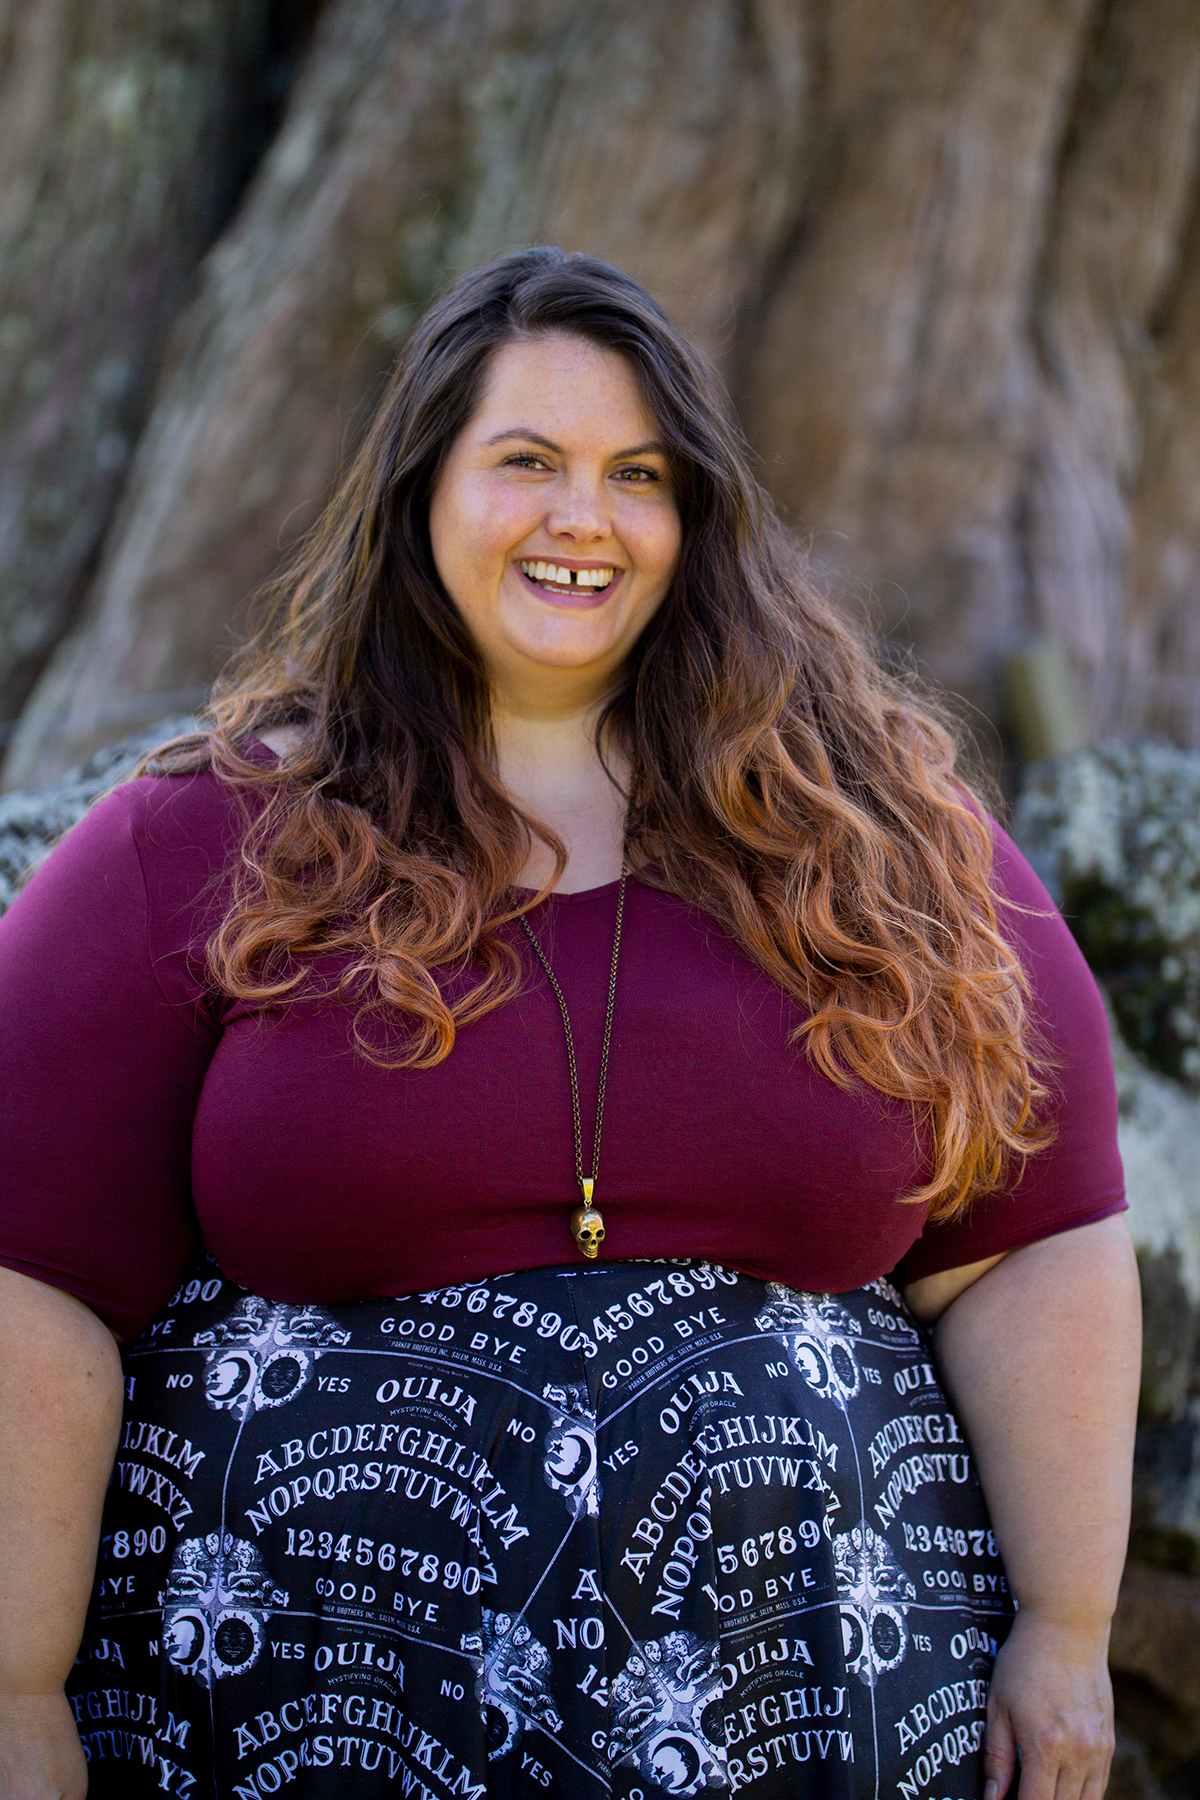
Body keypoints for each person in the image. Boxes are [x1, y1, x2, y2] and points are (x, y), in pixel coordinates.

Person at [0, 248, 1139, 1800]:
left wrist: (1067, 1629)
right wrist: (13, 1693)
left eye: (637, 474)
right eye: (524, 462)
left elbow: (1036, 1233)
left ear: (697, 518)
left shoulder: (887, 842)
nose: (581, 519)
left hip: (806, 1722)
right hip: (296, 1730)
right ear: (421, 495)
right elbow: (30, 1273)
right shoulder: (205, 842)